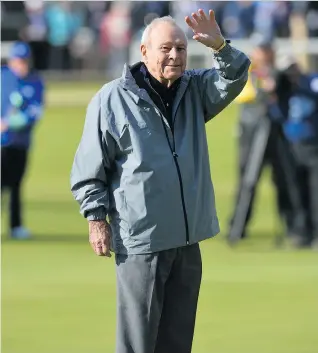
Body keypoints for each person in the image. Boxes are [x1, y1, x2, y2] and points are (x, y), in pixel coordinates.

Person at [71, 9, 250, 353]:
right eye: (166, 48)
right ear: (144, 52)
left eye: (181, 49)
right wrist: (96, 219)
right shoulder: (112, 99)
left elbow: (236, 76)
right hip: (142, 241)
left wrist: (220, 47)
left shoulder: (195, 88)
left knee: (177, 343)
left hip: (187, 241)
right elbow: (89, 168)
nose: (175, 56)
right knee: (139, 343)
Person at [228, 40, 304, 242]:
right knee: (248, 181)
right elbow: (247, 95)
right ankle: (237, 227)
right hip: (253, 132)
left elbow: (291, 84)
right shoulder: (249, 73)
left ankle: (293, 226)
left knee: (284, 180)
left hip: (276, 132)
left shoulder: (279, 73)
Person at [1, 41, 45, 239]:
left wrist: (10, 122)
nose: (21, 65)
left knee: (16, 185)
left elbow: (34, 113)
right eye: (18, 61)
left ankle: (16, 226)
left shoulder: (35, 82)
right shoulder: (3, 77)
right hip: (2, 142)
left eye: (24, 61)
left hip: (20, 143)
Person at [275, 56, 318, 248]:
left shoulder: (310, 83)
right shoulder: (283, 90)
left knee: (315, 191)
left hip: (313, 144)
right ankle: (302, 232)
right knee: (296, 191)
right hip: (292, 146)